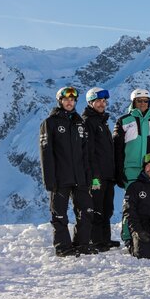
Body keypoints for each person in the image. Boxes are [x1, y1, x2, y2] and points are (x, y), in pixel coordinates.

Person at [40, 86, 94, 257]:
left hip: (80, 178)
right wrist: (50, 180)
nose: (69, 102)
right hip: (60, 178)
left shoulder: (80, 123)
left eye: (72, 100)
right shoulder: (50, 123)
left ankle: (81, 244)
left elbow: (85, 154)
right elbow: (45, 154)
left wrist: (88, 176)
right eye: (66, 99)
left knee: (85, 212)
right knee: (60, 215)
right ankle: (63, 247)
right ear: (60, 101)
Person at [113, 88, 150, 243]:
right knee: (131, 204)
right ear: (133, 102)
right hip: (131, 169)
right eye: (139, 101)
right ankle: (128, 236)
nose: (143, 103)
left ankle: (144, 234)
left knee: (148, 203)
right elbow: (117, 148)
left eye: (145, 101)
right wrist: (118, 170)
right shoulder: (124, 120)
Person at [82, 87, 118, 251]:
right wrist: (94, 175)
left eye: (104, 101)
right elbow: (89, 152)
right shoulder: (89, 122)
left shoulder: (101, 121)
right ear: (90, 102)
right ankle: (96, 240)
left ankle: (105, 239)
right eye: (99, 101)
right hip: (97, 175)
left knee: (107, 208)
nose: (102, 104)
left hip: (108, 174)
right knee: (97, 208)